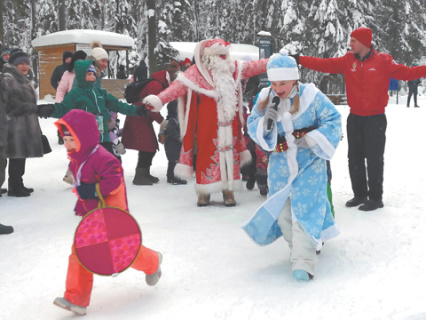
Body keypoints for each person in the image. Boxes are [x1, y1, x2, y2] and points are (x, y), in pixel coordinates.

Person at [295, 27, 426, 211]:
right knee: (354, 157)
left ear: (365, 42)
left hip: (375, 119)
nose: (350, 44)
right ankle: (359, 194)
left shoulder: (383, 61)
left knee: (374, 158)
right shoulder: (348, 60)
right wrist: (299, 60)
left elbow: (408, 73)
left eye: (354, 41)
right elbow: (324, 64)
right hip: (355, 117)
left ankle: (375, 198)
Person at [244, 50, 342, 281]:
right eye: (274, 83)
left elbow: (333, 119)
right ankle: (298, 249)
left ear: (294, 79)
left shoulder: (312, 96)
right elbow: (251, 124)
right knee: (284, 214)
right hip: (279, 165)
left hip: (309, 164)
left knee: (304, 210)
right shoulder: (265, 97)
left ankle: (304, 262)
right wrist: (264, 124)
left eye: (284, 83)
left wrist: (311, 138)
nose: (278, 88)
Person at [52, 109, 162, 316]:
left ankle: (153, 261)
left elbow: (114, 179)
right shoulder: (77, 157)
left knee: (125, 251)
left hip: (112, 213)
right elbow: (81, 183)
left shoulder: (103, 157)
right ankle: (75, 299)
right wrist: (83, 202)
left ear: (83, 137)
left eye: (71, 139)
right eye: (65, 140)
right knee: (81, 251)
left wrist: (92, 190)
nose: (67, 145)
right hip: (95, 214)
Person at [143, 39, 269, 206]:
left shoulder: (234, 69)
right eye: (221, 56)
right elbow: (176, 88)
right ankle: (204, 191)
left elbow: (255, 66)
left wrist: (275, 61)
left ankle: (228, 190)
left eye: (226, 55)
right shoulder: (195, 73)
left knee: (230, 156)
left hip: (230, 125)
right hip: (206, 127)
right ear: (210, 57)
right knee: (206, 156)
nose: (225, 59)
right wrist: (159, 99)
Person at [37, 60, 147, 156]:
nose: (92, 77)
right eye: (88, 74)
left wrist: (137, 110)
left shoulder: (100, 93)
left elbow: (118, 105)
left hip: (103, 138)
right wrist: (50, 109)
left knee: (106, 168)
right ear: (81, 76)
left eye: (93, 74)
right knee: (88, 171)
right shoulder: (75, 94)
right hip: (85, 141)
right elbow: (63, 108)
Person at [121, 61, 178, 186]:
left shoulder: (158, 83)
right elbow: (150, 107)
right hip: (139, 116)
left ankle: (144, 172)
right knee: (148, 146)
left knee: (149, 146)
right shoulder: (156, 85)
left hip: (141, 117)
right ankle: (139, 175)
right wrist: (162, 122)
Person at [2, 51, 44, 197]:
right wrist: (32, 108)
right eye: (21, 63)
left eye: (26, 63)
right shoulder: (9, 78)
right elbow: (9, 103)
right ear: (14, 64)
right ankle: (14, 186)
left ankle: (17, 183)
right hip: (13, 125)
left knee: (20, 156)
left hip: (23, 124)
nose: (25, 66)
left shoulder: (23, 79)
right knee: (15, 155)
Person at [55, 50, 88, 147]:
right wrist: (59, 105)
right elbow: (61, 90)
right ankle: (76, 160)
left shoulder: (89, 73)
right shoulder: (68, 74)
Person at [160, 100, 187, 185]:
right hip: (173, 144)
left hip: (172, 144)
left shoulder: (172, 118)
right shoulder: (173, 120)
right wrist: (180, 137)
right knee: (174, 161)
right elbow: (172, 132)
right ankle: (174, 177)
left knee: (173, 161)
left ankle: (170, 177)